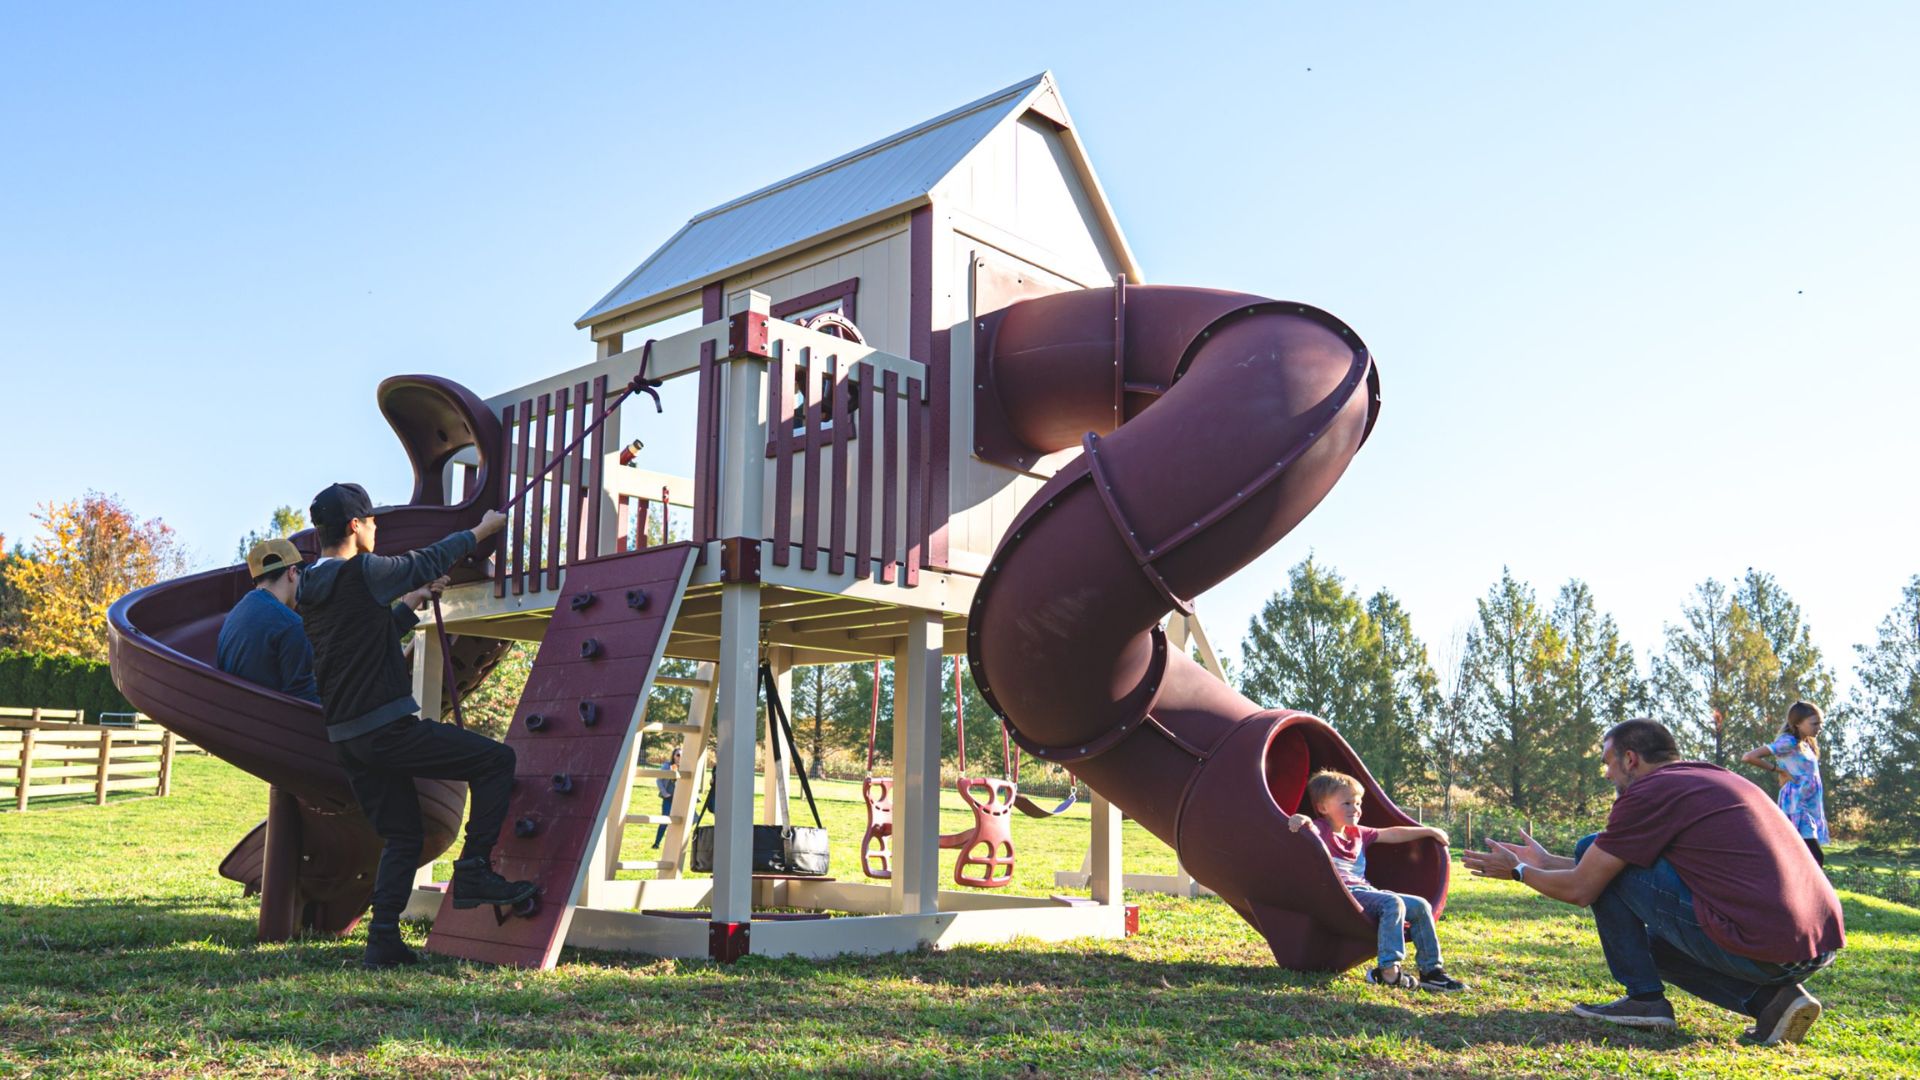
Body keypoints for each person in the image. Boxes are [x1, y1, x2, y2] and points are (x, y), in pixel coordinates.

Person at [1463, 718, 1843, 1045]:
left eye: (1607, 764)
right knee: (1651, 949)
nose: (1608, 774)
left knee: (1590, 845)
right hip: (1813, 945)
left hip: (1764, 942)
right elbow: (1618, 863)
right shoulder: (1707, 777)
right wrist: (1546, 861)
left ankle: (1644, 999)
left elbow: (1583, 888)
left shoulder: (1649, 791)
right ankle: (1772, 1003)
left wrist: (1519, 871)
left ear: (1630, 759)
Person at [298, 482, 529, 969]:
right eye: (373, 520)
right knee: (496, 761)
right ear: (355, 526)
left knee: (402, 833)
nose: (378, 527)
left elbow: (369, 638)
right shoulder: (360, 570)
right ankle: (473, 870)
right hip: (385, 729)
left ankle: (382, 941)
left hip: (347, 737)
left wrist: (413, 601)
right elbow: (423, 559)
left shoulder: (311, 586)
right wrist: (481, 531)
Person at [1286, 769, 1465, 992]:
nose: (1355, 809)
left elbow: (1392, 833)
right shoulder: (1320, 829)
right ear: (1323, 808)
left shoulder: (1359, 833)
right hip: (1341, 894)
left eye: (1358, 803)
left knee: (1420, 906)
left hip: (1365, 892)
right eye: (1347, 804)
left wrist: (1428, 831)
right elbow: (1305, 829)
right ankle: (1388, 971)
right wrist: (1301, 819)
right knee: (1393, 903)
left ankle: (1431, 972)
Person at [216, 538, 320, 703]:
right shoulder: (290, 624)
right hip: (270, 724)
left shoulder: (233, 617)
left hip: (235, 719)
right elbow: (303, 701)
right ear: (292, 573)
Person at [1741, 701, 1830, 866]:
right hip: (1797, 807)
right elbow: (1749, 757)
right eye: (1815, 723)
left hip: (1808, 807)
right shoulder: (1788, 743)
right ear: (1797, 723)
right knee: (1815, 858)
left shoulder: (1805, 744)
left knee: (1807, 860)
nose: (1819, 727)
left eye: (1821, 723)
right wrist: (1778, 770)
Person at [652, 746, 682, 848]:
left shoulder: (686, 767)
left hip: (680, 799)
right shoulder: (668, 766)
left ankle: (674, 845)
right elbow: (659, 780)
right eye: (678, 755)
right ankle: (657, 843)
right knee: (665, 820)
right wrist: (665, 793)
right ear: (673, 756)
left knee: (680, 822)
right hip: (669, 798)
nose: (680, 757)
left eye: (682, 755)